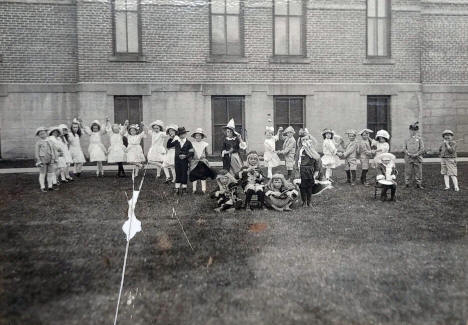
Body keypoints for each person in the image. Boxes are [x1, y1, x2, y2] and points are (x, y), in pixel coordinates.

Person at [297, 136, 329, 207]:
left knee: (310, 186)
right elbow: (297, 161)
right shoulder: (300, 150)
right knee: (302, 186)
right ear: (301, 142)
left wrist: (316, 171)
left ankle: (309, 202)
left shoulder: (312, 151)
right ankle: (304, 201)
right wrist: (297, 170)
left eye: (307, 139)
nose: (305, 141)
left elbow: (317, 161)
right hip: (302, 170)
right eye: (303, 140)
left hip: (310, 171)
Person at [167, 127, 194, 195]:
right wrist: (171, 138)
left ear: (186, 134)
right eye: (180, 134)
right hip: (177, 161)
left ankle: (184, 189)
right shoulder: (176, 141)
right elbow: (168, 146)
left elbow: (191, 152)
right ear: (178, 135)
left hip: (184, 161)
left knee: (184, 174)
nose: (182, 135)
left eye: (183, 134)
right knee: (178, 173)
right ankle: (177, 188)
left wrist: (186, 156)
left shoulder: (188, 142)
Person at [189, 128, 216, 194]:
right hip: (195, 161)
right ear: (194, 136)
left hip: (202, 161)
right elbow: (191, 153)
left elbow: (206, 153)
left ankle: (203, 189)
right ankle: (194, 189)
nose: (198, 137)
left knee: (202, 175)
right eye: (196, 136)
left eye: (199, 135)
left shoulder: (204, 144)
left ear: (202, 136)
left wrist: (205, 159)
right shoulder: (192, 144)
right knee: (194, 175)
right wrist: (191, 159)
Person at [35, 127, 58, 192]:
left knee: (50, 173)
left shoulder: (50, 141)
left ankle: (50, 186)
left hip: (51, 159)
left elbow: (54, 150)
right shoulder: (38, 143)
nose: (42, 135)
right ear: (38, 135)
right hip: (43, 160)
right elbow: (36, 153)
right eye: (40, 134)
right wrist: (39, 160)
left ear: (46, 133)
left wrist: (55, 158)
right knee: (42, 173)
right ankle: (42, 186)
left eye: (44, 133)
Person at [404, 122, 425, 189]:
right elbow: (404, 148)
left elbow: (422, 148)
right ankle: (407, 183)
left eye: (415, 130)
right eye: (412, 130)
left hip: (417, 157)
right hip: (409, 157)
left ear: (417, 131)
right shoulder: (406, 139)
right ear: (409, 130)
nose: (413, 132)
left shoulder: (419, 139)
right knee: (408, 170)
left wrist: (417, 154)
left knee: (418, 171)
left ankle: (418, 183)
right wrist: (408, 153)